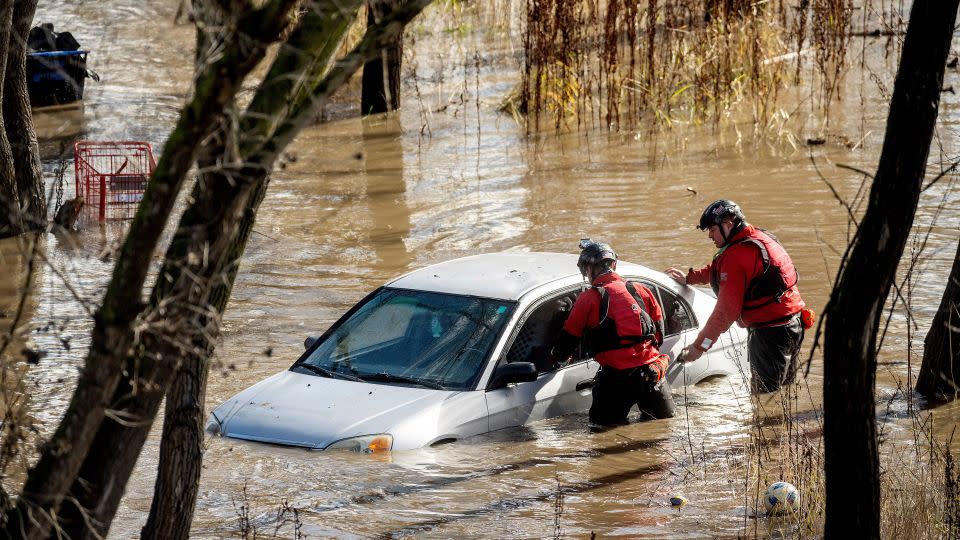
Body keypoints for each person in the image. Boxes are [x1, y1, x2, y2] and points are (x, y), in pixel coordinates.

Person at [665, 199, 807, 393]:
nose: (710, 236)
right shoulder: (758, 237)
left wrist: (699, 348)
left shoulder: (738, 255)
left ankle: (770, 424)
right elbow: (722, 269)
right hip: (794, 323)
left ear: (728, 225)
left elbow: (725, 312)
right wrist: (690, 278)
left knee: (764, 397)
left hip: (769, 333)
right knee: (786, 391)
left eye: (713, 230)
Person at [551, 239, 675, 425]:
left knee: (602, 434)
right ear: (614, 264)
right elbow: (659, 334)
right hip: (651, 373)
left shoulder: (588, 299)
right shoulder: (641, 290)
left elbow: (569, 338)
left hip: (616, 380)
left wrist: (557, 359)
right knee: (663, 430)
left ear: (589, 270)